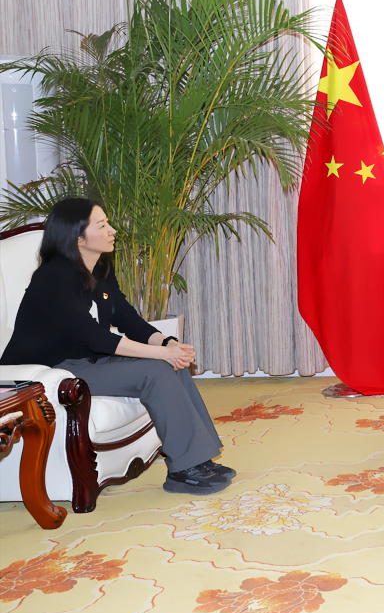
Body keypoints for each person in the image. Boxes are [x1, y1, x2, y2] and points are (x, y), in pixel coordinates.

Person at [0, 198, 233, 495]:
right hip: (52, 371)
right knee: (156, 370)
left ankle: (198, 460)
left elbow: (127, 319)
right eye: (102, 225)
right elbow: (95, 337)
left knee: (169, 365)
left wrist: (167, 343)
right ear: (78, 238)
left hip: (86, 361)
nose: (112, 230)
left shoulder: (100, 270)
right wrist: (162, 353)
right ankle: (184, 472)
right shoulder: (52, 277)